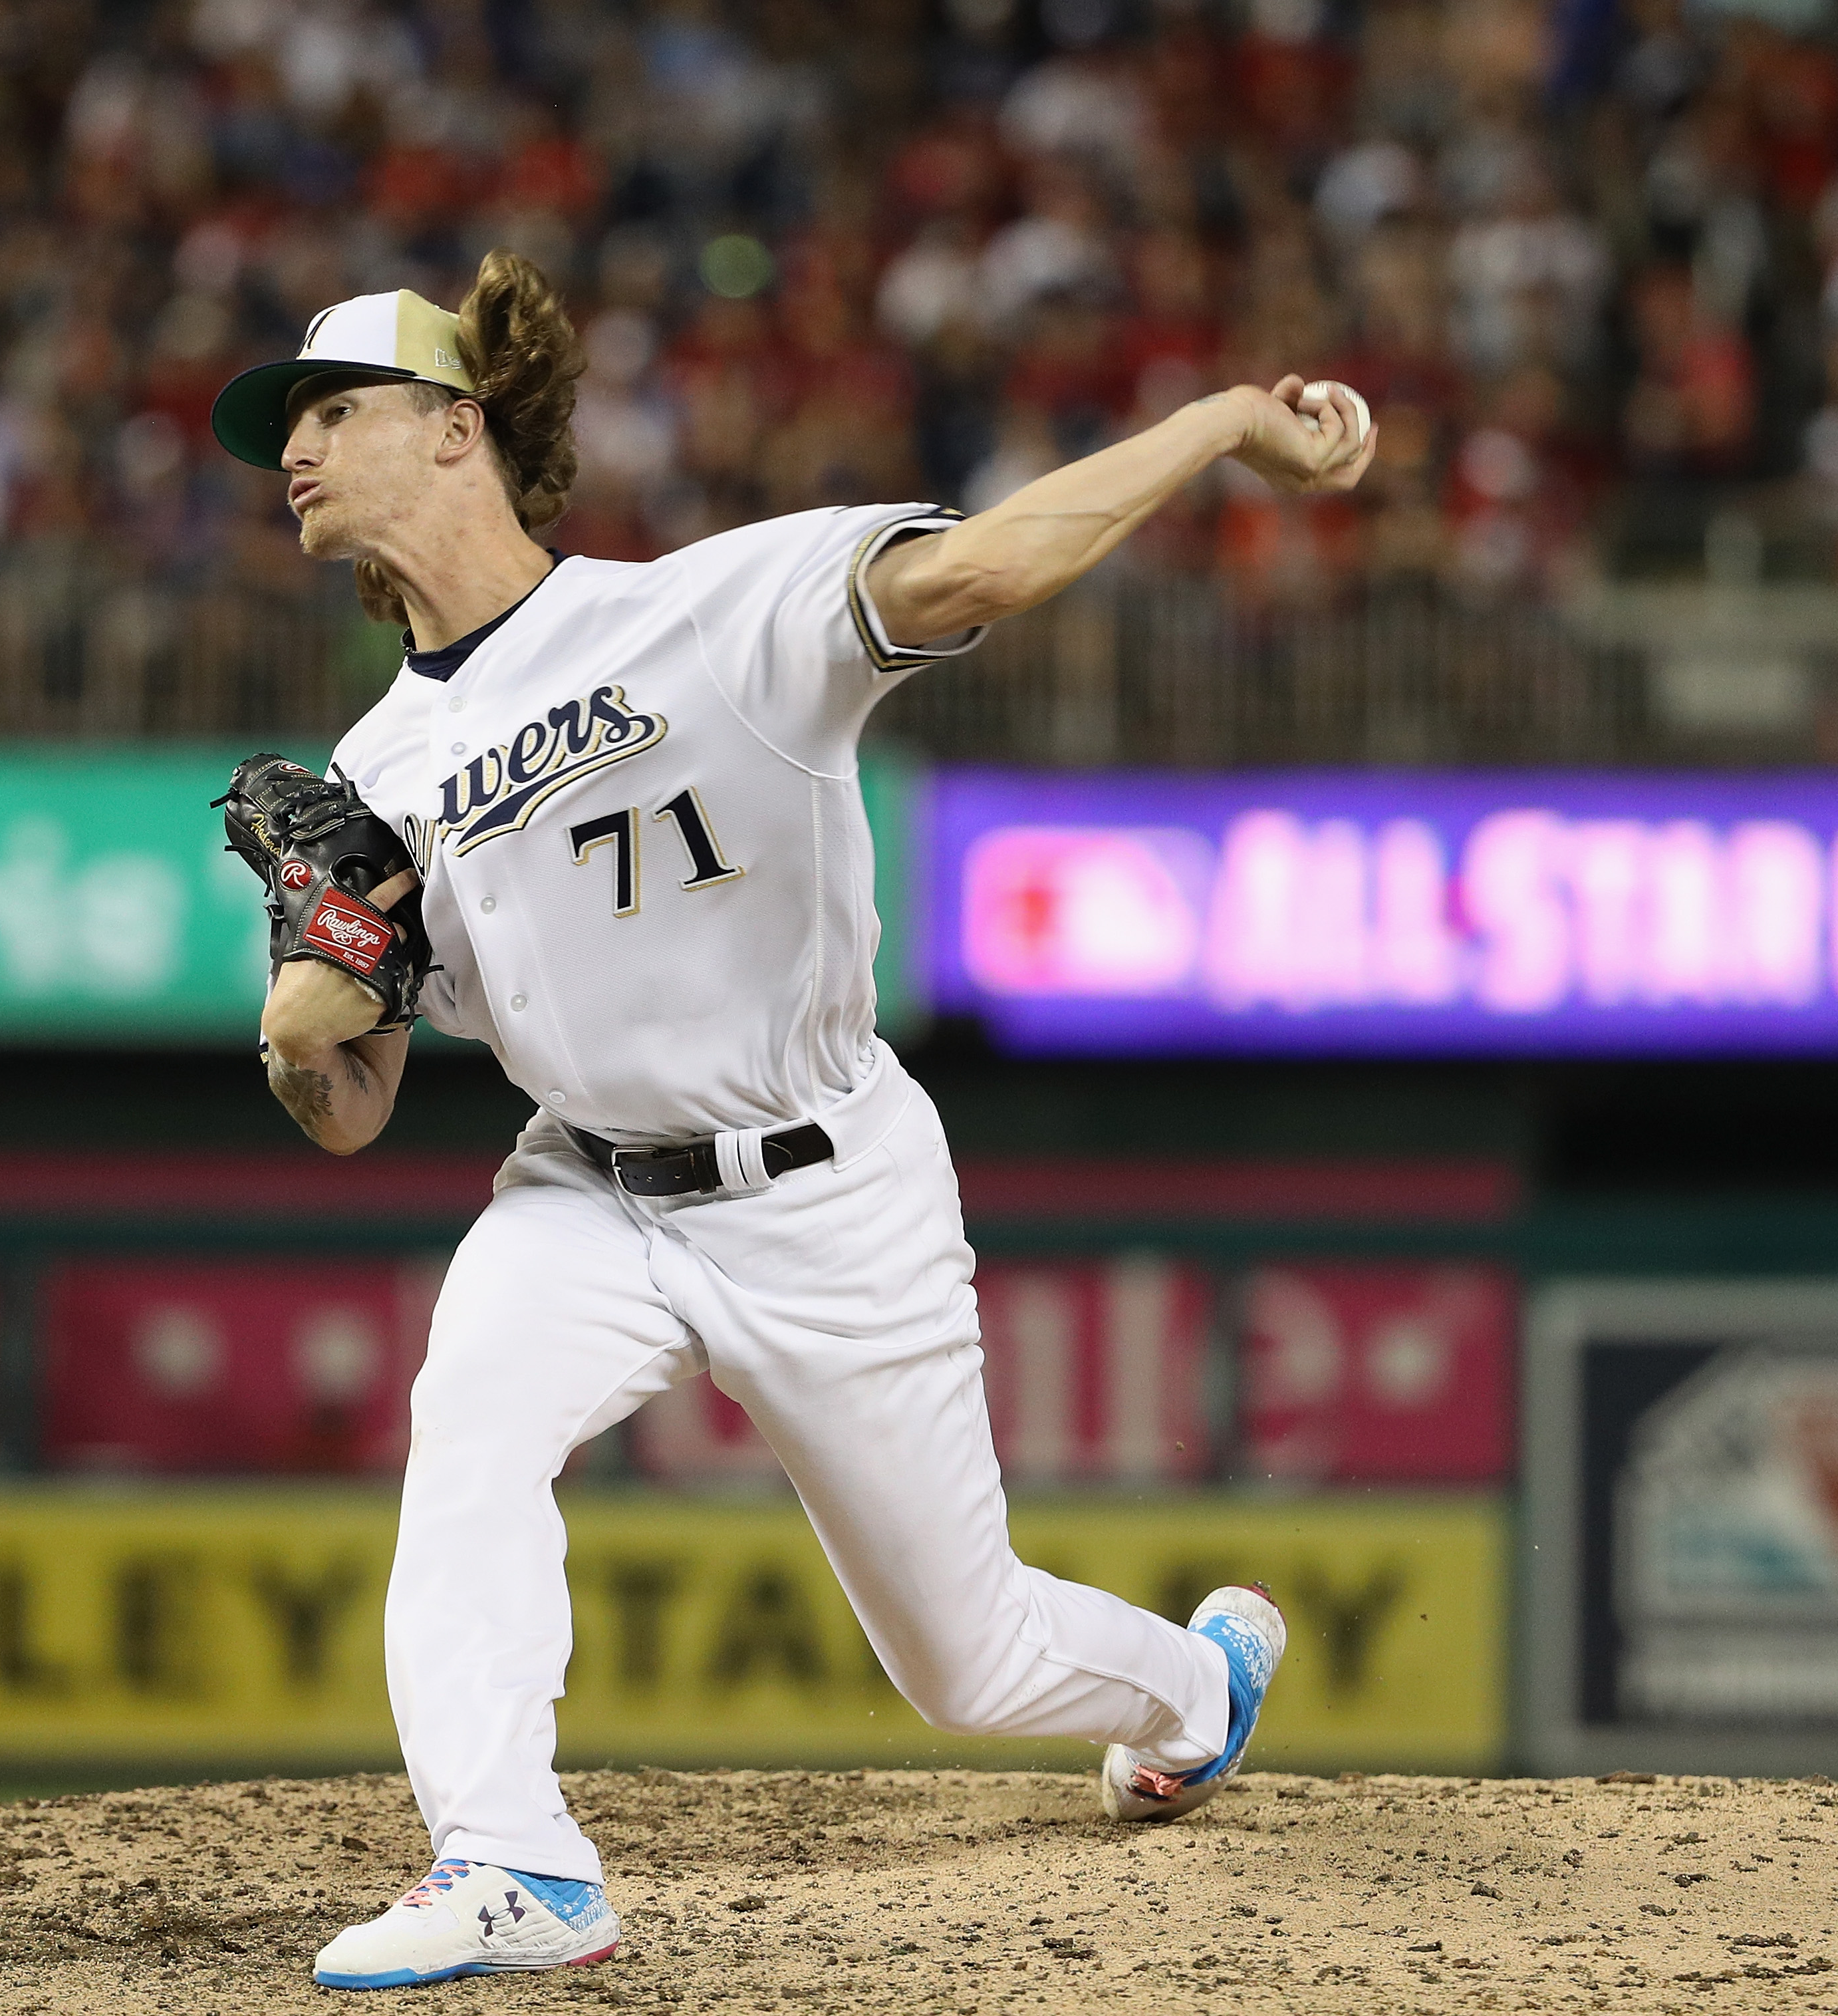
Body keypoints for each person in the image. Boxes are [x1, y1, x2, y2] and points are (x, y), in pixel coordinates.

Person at [205, 251, 1377, 1991]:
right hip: (581, 1188)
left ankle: (1197, 1685)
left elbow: (987, 560)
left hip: (822, 1184)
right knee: (466, 1427)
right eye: (283, 425)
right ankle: (513, 1857)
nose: (289, 448)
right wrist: (310, 1029)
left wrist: (1217, 425)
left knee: (961, 1660)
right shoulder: (367, 768)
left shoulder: (709, 610)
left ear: (455, 432)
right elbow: (356, 1108)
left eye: (329, 409)